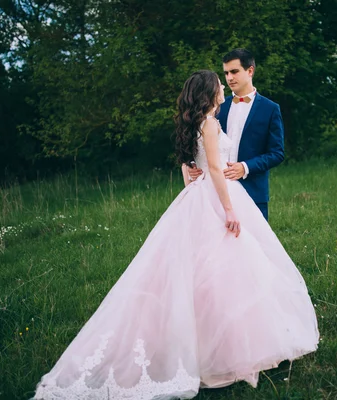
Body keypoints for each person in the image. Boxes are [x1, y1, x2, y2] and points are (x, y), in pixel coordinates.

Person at [33, 70, 318, 400]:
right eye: (219, 84)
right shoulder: (210, 123)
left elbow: (189, 166)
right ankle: (220, 352)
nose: (224, 86)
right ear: (209, 92)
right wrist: (228, 210)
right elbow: (213, 168)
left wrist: (192, 177)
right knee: (227, 272)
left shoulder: (195, 123)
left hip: (197, 195)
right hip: (217, 195)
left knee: (206, 272)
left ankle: (211, 345)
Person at [187, 49, 284, 221]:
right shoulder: (216, 106)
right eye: (226, 73)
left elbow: (277, 153)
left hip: (253, 191)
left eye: (234, 71)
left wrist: (245, 167)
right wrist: (193, 165)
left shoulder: (270, 109)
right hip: (215, 192)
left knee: (256, 246)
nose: (229, 78)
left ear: (250, 71)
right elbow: (200, 141)